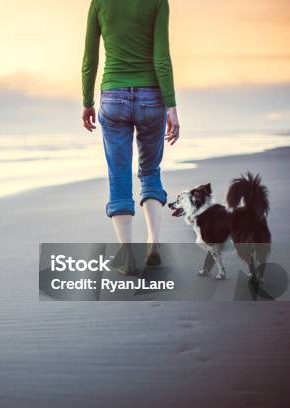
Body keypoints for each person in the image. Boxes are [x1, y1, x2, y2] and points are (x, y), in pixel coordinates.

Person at [81, 0, 180, 269]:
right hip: (151, 97)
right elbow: (162, 56)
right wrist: (171, 105)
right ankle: (153, 241)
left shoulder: (99, 2)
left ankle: (126, 255)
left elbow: (90, 57)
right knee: (149, 170)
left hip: (113, 97)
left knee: (119, 175)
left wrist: (87, 101)